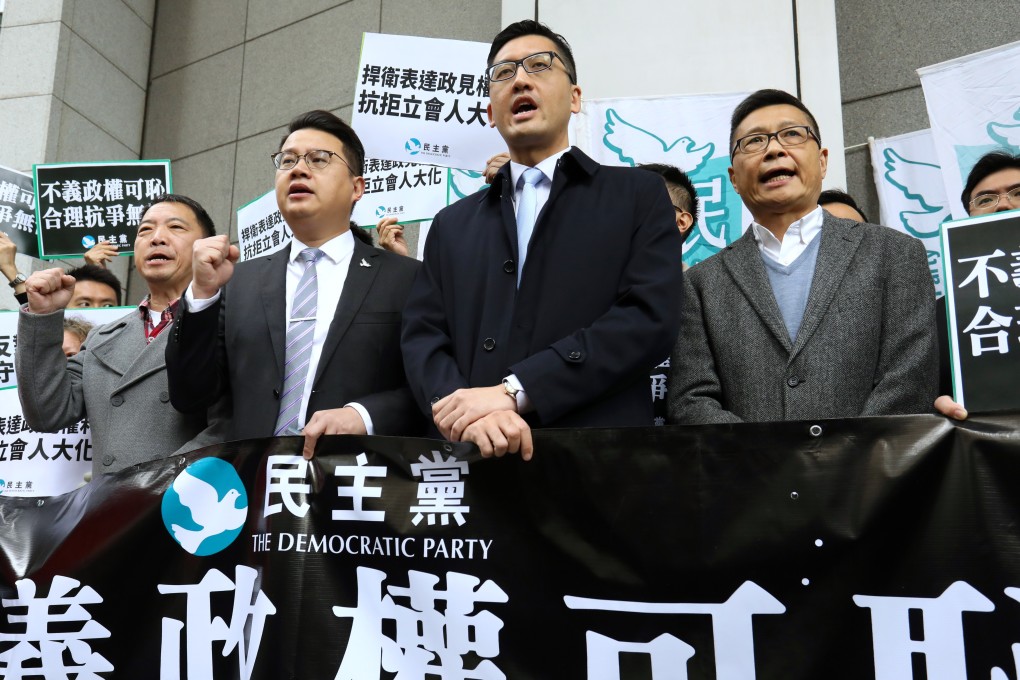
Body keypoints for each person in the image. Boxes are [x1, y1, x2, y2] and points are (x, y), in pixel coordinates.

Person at [401, 20, 684, 459]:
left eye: (538, 65)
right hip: (475, 469)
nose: (519, 80)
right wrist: (463, 410)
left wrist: (516, 391)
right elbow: (423, 338)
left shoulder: (637, 195)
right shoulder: (451, 224)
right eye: (503, 73)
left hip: (597, 465)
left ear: (574, 97)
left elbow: (649, 319)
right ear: (491, 112)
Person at [669, 89, 938, 424]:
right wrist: (766, 463)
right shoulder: (700, 284)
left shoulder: (896, 254)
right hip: (753, 473)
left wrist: (844, 460)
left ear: (822, 160)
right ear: (734, 179)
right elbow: (691, 400)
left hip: (869, 471)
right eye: (753, 142)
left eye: (792, 134)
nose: (774, 149)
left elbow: (910, 382)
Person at [165, 110, 422, 458]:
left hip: (359, 485)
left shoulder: (406, 277)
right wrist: (201, 297)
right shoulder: (237, 282)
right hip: (252, 488)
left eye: (319, 159)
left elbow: (430, 387)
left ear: (356, 187)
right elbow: (190, 396)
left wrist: (363, 415)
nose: (298, 169)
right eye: (287, 161)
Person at [16, 194, 226, 476]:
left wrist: (149, 488)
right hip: (108, 512)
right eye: (145, 230)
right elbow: (47, 412)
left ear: (206, 246)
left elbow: (230, 427)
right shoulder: (102, 338)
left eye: (175, 227)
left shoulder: (228, 322)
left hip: (184, 506)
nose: (157, 238)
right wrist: (43, 316)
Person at [932, 150, 1020, 420]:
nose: (1003, 205)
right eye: (985, 199)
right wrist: (936, 407)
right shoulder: (940, 316)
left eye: (1018, 193)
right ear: (969, 216)